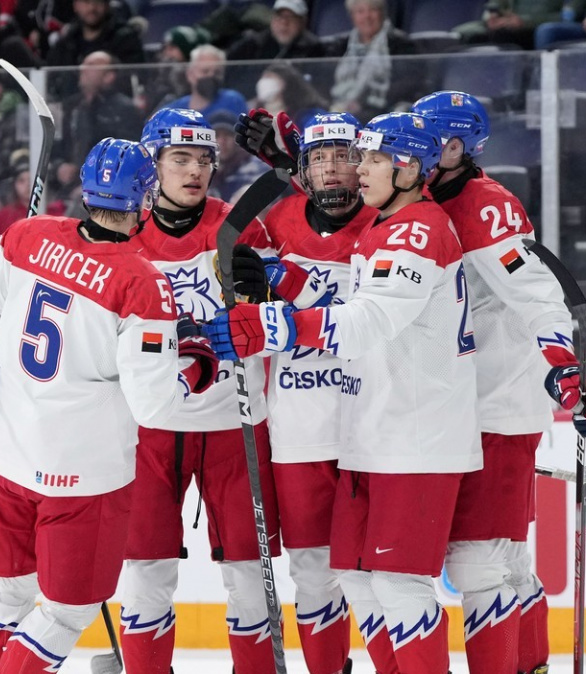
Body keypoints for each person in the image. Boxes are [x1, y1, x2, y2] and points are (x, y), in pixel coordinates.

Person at [206, 112, 479, 674]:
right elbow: (339, 302)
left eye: (366, 158)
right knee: (351, 574)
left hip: (409, 430)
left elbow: (364, 321)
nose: (352, 170)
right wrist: (276, 277)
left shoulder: (413, 229)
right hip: (362, 429)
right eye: (328, 157)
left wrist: (271, 325)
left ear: (403, 167)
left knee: (399, 584)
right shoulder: (387, 224)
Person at [0, 136, 217, 674]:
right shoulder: (144, 284)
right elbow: (155, 407)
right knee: (67, 612)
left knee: (6, 593)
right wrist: (193, 368)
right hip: (82, 478)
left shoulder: (27, 235)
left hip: (5, 459)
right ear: (144, 201)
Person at [413, 90, 586, 674]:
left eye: (432, 140)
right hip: (451, 407)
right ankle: (531, 665)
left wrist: (565, 368)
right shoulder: (418, 196)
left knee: (482, 562)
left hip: (495, 405)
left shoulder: (485, 205)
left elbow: (539, 296)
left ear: (456, 147)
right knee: (505, 561)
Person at [116, 108, 279, 674]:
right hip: (149, 429)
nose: (195, 171)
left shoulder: (240, 224)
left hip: (235, 426)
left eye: (204, 160)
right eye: (179, 159)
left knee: (248, 574)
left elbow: (280, 318)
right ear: (152, 163)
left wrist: (267, 296)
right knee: (145, 572)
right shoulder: (123, 230)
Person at [233, 108, 377, 674]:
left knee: (376, 574)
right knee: (314, 569)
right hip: (299, 430)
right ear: (305, 169)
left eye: (345, 155)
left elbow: (361, 317)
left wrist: (285, 282)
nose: (335, 169)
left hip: (374, 425)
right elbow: (224, 265)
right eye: (319, 158)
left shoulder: (392, 221)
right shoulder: (277, 222)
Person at [325, 0, 421, 123]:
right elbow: (325, 81)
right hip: (341, 107)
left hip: (385, 109)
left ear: (382, 13)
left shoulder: (401, 44)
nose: (367, 16)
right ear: (352, 16)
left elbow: (409, 84)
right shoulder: (340, 46)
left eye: (373, 10)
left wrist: (362, 103)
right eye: (360, 11)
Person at [58, 51, 143, 169]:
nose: (82, 68)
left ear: (108, 76)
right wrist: (60, 166)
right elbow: (61, 145)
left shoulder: (124, 109)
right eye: (83, 64)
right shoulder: (72, 106)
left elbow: (129, 151)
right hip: (72, 180)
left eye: (91, 65)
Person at [161, 46, 249, 120]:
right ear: (190, 74)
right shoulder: (174, 110)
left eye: (217, 72)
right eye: (205, 71)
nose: (211, 76)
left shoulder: (233, 101)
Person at [226, 0, 324, 64]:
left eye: (291, 17)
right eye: (279, 16)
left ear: (303, 22)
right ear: (272, 19)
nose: (284, 23)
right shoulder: (253, 44)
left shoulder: (315, 48)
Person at [453, 0, 565, 50]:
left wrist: (524, 21)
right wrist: (494, 15)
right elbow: (497, 4)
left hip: (536, 26)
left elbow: (569, 16)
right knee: (462, 34)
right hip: (506, 22)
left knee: (502, 34)